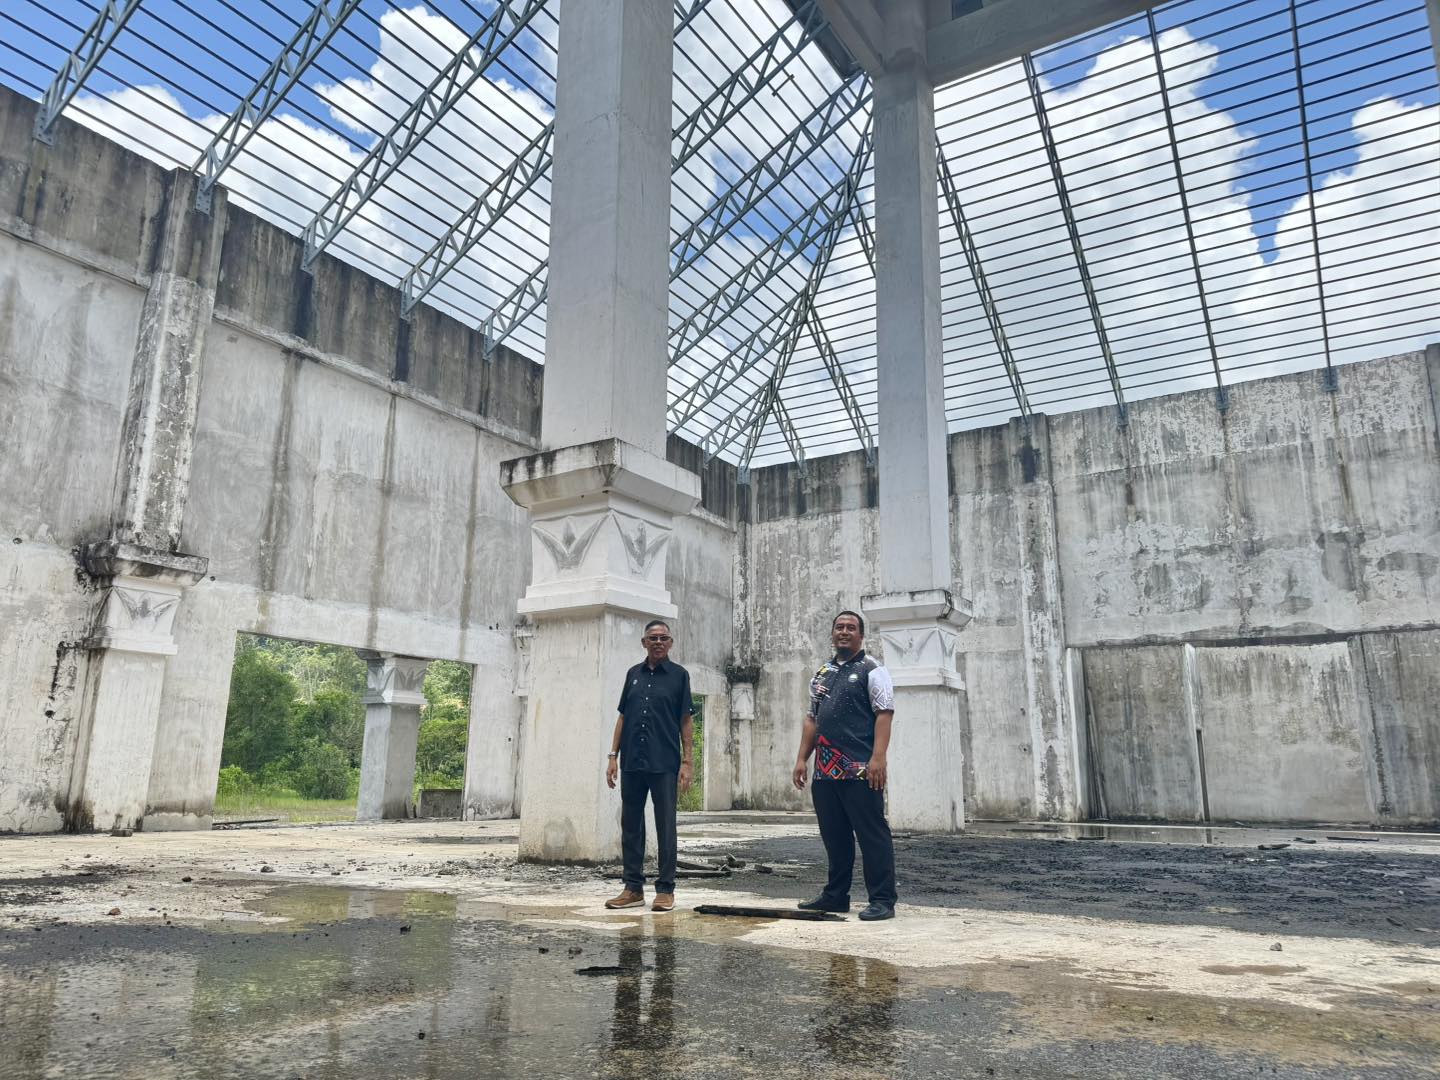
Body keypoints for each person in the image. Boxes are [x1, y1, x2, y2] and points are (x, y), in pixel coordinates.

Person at [791, 610, 898, 921]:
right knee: (835, 836)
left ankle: (882, 900)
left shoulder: (873, 669)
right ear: (833, 633)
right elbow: (812, 719)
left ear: (861, 635)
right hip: (825, 772)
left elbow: (884, 713)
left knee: (871, 834)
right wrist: (802, 758)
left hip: (861, 769)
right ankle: (836, 896)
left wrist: (878, 757)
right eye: (839, 627)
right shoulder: (822, 673)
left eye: (851, 628)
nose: (844, 632)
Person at [604, 619, 695, 912]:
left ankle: (666, 890)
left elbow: (686, 721)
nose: (658, 642)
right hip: (631, 761)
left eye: (663, 638)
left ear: (670, 643)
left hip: (664, 762)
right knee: (630, 825)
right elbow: (621, 717)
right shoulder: (633, 674)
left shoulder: (679, 676)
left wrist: (687, 762)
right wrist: (612, 756)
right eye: (653, 638)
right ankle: (632, 888)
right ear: (644, 642)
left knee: (665, 826)